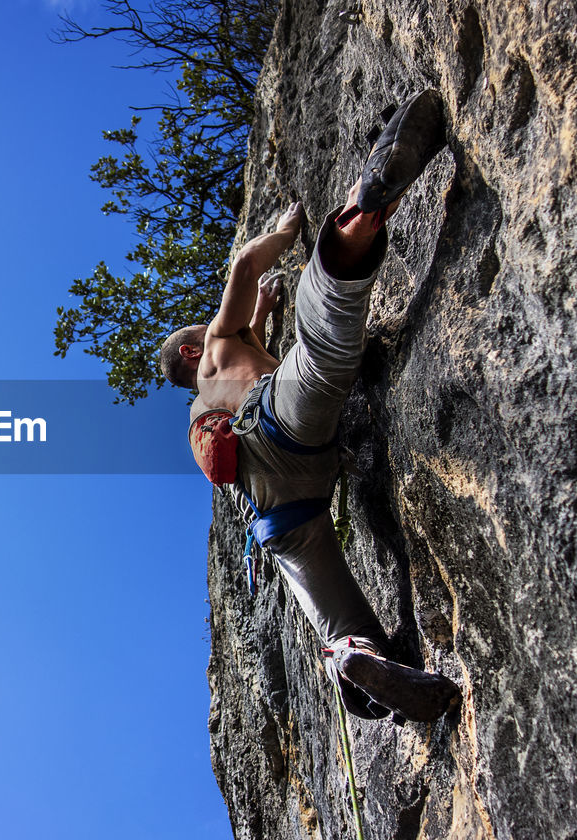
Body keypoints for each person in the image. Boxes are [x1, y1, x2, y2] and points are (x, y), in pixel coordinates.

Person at [161, 91, 460, 722]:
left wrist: (262, 321)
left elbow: (255, 364)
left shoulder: (202, 410)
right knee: (324, 343)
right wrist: (287, 231)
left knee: (334, 613)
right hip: (279, 428)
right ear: (190, 357)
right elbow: (244, 266)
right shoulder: (214, 346)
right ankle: (361, 210)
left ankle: (360, 663)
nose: (211, 331)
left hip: (274, 512)